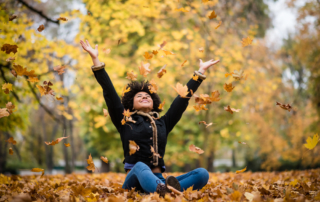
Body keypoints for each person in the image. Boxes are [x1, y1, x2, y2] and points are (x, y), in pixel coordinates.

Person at [80, 39, 220, 197]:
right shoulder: (125, 121)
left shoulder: (163, 123)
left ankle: (165, 191)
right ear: (130, 104)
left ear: (154, 102)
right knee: (139, 166)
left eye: (147, 95)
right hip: (134, 182)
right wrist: (95, 60)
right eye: (139, 96)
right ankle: (167, 192)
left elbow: (181, 100)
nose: (144, 96)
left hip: (160, 180)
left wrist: (199, 73)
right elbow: (109, 92)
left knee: (202, 173)